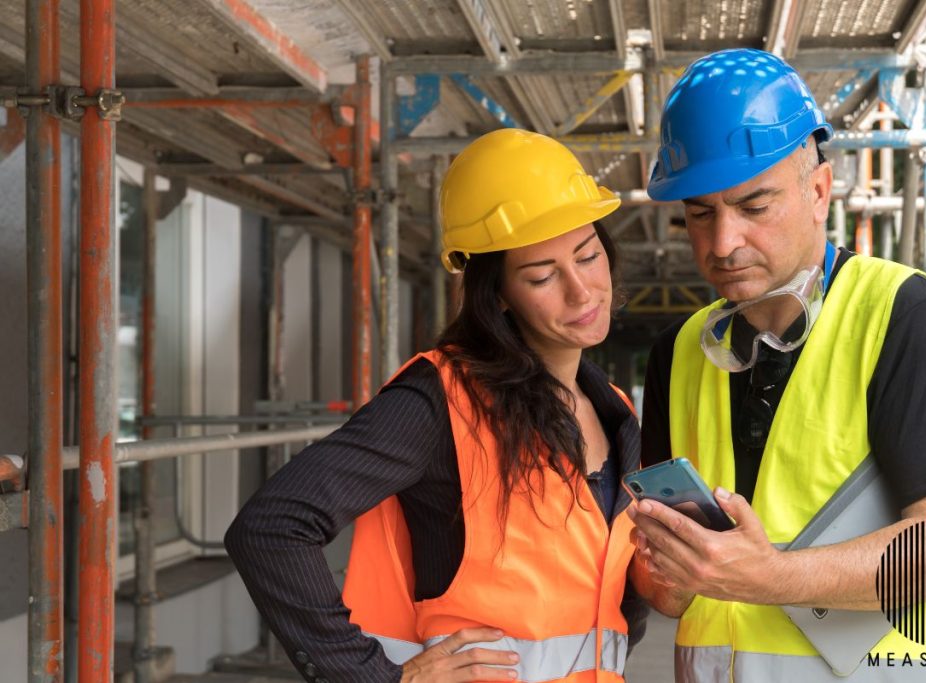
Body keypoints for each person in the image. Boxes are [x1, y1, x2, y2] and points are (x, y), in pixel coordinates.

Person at [631, 48, 926, 681]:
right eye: (700, 213)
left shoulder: (911, 318)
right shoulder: (677, 353)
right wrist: (670, 568)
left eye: (754, 207)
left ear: (819, 190)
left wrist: (770, 576)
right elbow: (669, 592)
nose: (722, 243)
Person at [225, 129, 656, 683]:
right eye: (543, 275)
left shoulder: (615, 410)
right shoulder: (438, 401)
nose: (582, 290)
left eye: (588, 255)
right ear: (497, 294)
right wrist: (376, 677)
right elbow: (270, 529)